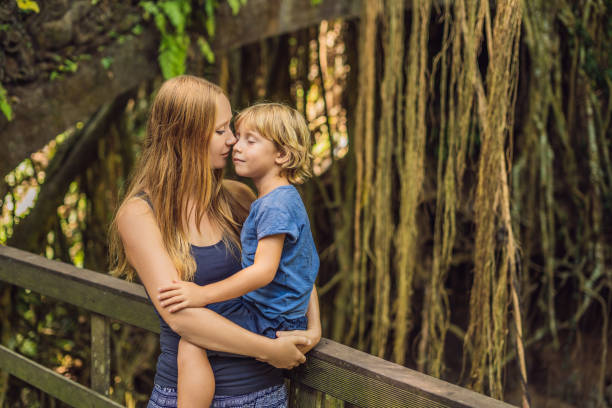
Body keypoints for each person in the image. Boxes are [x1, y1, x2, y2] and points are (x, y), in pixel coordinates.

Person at [109, 76, 321, 407]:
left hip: (262, 394)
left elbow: (293, 261)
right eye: (221, 131)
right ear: (185, 136)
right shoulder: (139, 215)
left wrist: (314, 327)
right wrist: (269, 350)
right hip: (180, 394)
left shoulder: (238, 198)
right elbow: (181, 316)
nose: (233, 140)